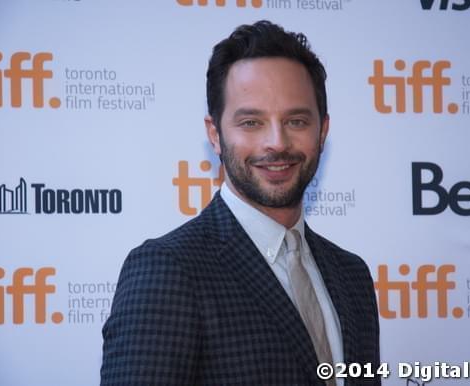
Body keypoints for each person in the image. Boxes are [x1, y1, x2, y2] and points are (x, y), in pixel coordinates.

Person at [101, 20, 380, 386]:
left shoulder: (352, 275)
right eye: (251, 122)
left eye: (296, 120)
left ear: (322, 131)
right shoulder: (169, 271)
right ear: (214, 134)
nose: (277, 143)